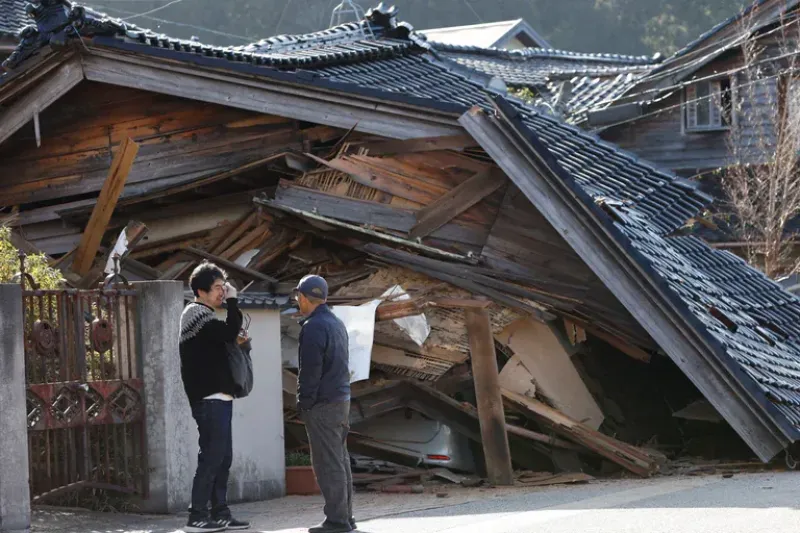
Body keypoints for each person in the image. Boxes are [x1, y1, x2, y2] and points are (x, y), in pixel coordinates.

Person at [180, 262, 250, 532]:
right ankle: (197, 515)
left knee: (223, 457)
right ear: (201, 291)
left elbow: (225, 338)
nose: (223, 292)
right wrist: (233, 303)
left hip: (220, 397)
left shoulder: (205, 315)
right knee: (211, 456)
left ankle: (220, 513)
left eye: (224, 287)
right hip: (208, 399)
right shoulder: (195, 314)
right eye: (218, 288)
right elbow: (228, 331)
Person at [294, 275, 355, 533]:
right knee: (339, 460)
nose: (297, 301)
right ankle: (346, 518)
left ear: (305, 297)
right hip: (341, 400)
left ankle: (337, 521)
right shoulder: (336, 323)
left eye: (298, 296)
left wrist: (303, 403)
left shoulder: (314, 327)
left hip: (322, 404)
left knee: (328, 463)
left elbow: (310, 371)